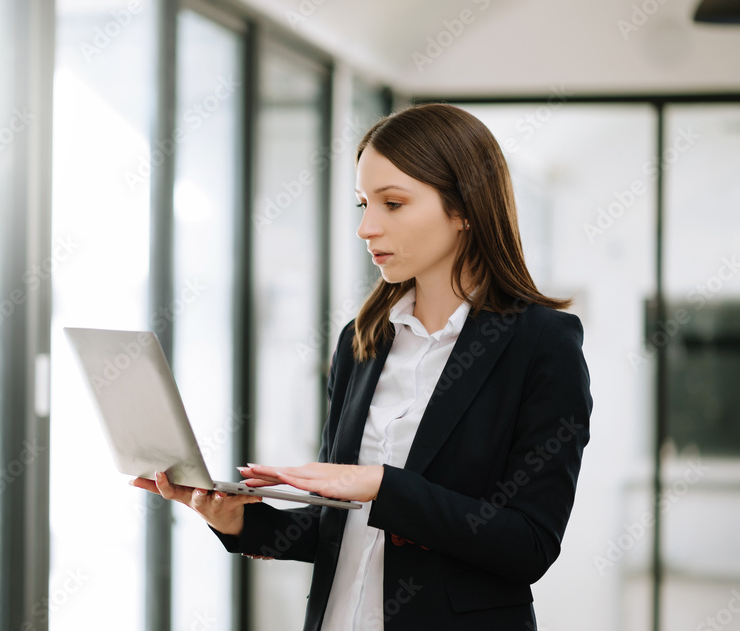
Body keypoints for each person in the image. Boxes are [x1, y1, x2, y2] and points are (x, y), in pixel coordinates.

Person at [131, 102, 592, 630]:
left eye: (392, 203)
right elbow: (340, 529)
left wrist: (381, 485)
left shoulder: (540, 344)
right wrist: (239, 521)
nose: (366, 228)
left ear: (464, 208)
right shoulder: (363, 341)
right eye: (362, 205)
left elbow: (529, 545)